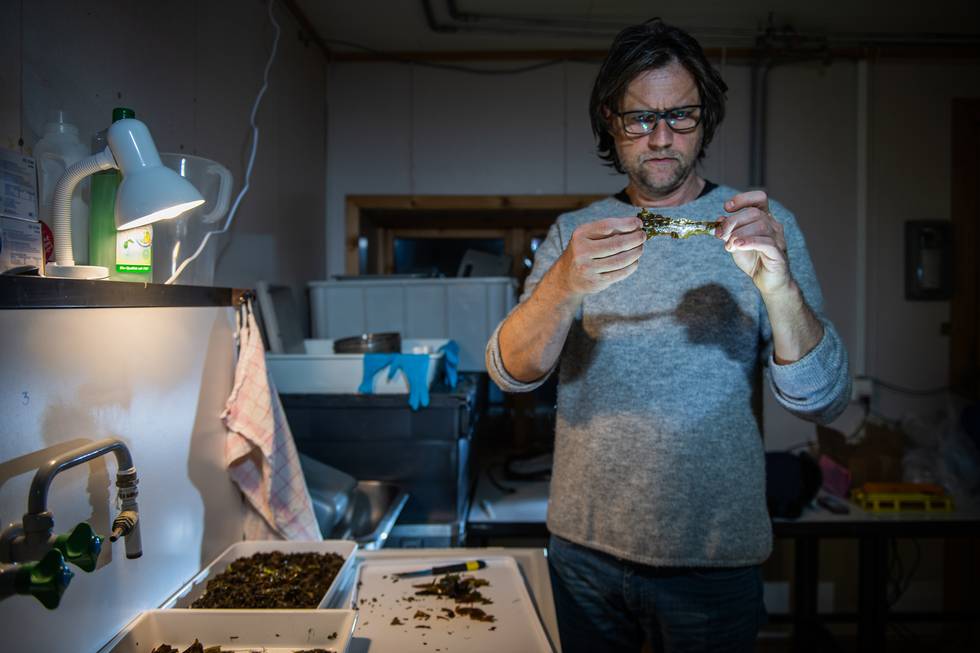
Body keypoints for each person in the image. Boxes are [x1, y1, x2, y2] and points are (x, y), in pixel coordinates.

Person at [484, 19, 851, 653]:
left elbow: (826, 401)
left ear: (706, 117)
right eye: (639, 118)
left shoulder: (762, 225)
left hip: (715, 560)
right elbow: (509, 372)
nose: (660, 137)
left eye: (680, 116)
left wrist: (779, 286)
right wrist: (562, 285)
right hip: (584, 557)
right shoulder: (575, 232)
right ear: (610, 120)